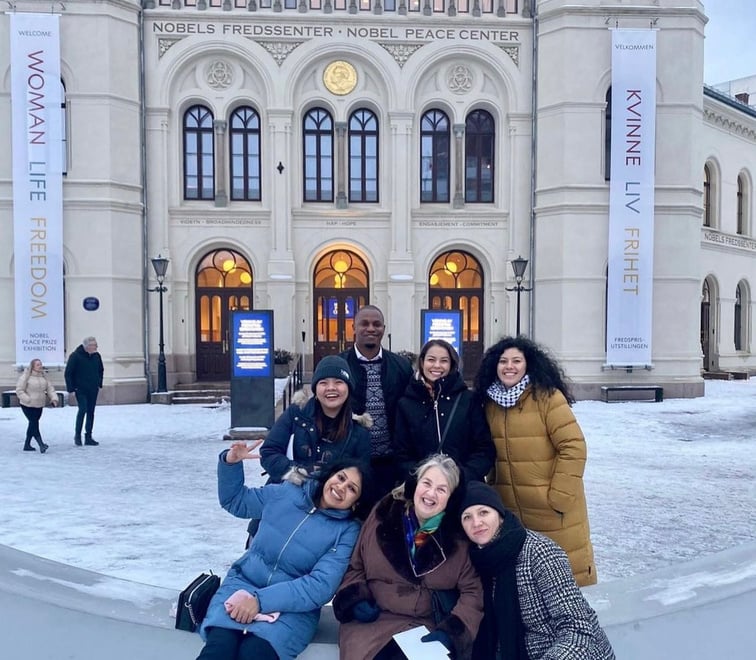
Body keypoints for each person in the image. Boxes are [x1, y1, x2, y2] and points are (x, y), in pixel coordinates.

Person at [197, 448, 371, 660]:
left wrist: (260, 601)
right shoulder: (286, 492)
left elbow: (320, 586)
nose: (341, 487)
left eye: (351, 488)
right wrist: (230, 462)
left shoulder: (347, 531)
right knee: (218, 650)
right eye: (340, 477)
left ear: (356, 502)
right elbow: (236, 501)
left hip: (293, 609)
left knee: (254, 654)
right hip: (242, 586)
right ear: (330, 475)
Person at [473, 336, 597, 586]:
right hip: (512, 511)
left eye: (517, 361)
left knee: (564, 579)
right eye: (503, 361)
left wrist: (558, 497)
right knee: (526, 584)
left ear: (528, 365)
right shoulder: (490, 404)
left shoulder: (547, 398)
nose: (509, 366)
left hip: (552, 511)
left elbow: (573, 446)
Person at [333, 454, 483, 660]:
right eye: (427, 483)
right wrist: (355, 600)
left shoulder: (457, 535)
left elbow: (473, 592)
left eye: (442, 489)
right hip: (374, 623)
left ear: (451, 498)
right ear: (415, 484)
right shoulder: (384, 513)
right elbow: (356, 565)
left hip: (425, 627)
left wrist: (451, 632)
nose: (431, 493)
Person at [460, 480, 615, 659]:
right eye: (467, 517)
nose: (476, 522)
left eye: (483, 512)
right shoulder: (478, 561)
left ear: (499, 514)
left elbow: (579, 628)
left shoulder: (540, 552)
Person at [394, 339, 495, 484]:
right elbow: (401, 455)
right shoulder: (406, 404)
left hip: (464, 486)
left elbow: (484, 449)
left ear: (452, 364)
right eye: (431, 359)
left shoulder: (468, 400)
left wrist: (461, 477)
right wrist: (423, 479)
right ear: (422, 363)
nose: (437, 365)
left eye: (444, 361)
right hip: (424, 489)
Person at [339, 305, 413, 496]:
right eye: (364, 324)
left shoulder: (401, 366)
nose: (371, 328)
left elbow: (411, 408)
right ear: (353, 328)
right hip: (350, 460)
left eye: (376, 324)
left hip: (391, 462)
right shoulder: (339, 365)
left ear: (384, 329)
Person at [64, 336, 104, 446]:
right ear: (87, 346)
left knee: (91, 411)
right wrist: (71, 388)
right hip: (80, 388)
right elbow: (68, 373)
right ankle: (77, 435)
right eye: (94, 345)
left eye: (96, 345)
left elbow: (100, 370)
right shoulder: (75, 356)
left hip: (93, 388)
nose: (96, 347)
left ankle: (88, 436)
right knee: (83, 409)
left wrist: (99, 383)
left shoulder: (96, 356)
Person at [15, 358, 58, 453]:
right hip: (27, 405)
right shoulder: (26, 376)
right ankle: (41, 444)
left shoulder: (44, 376)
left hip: (39, 404)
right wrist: (27, 399)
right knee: (34, 423)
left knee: (33, 424)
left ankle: (27, 445)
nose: (40, 366)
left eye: (40, 364)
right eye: (38, 364)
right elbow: (19, 390)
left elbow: (50, 388)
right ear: (33, 366)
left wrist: (54, 398)